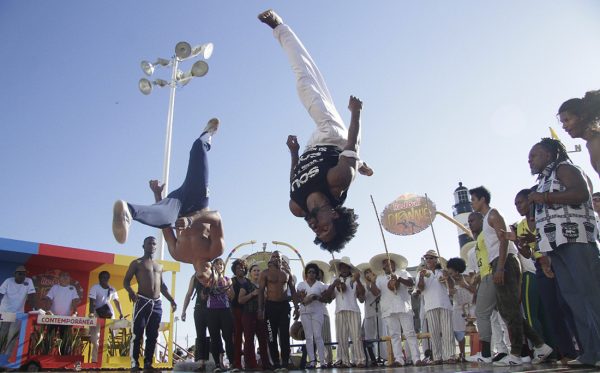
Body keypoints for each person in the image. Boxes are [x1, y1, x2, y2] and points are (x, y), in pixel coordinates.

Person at [258, 9, 373, 253]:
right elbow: (353, 144)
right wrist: (356, 112)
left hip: (311, 146)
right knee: (305, 84)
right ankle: (280, 28)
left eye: (317, 235)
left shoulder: (296, 207)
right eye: (325, 229)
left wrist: (294, 153)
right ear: (335, 216)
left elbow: (295, 179)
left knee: (308, 87)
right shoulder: (337, 182)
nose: (316, 229)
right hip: (334, 136)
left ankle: (361, 165)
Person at [112, 118, 225, 276]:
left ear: (195, 275)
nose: (204, 278)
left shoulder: (178, 255)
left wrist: (158, 195)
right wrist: (190, 220)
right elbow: (217, 217)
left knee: (164, 217)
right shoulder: (215, 250)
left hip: (177, 207)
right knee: (197, 148)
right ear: (213, 271)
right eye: (208, 277)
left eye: (201, 279)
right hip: (197, 200)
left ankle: (128, 211)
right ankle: (207, 135)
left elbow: (165, 227)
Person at [527, 137, 600, 367]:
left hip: (576, 239)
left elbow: (581, 194)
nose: (529, 161)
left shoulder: (564, 168)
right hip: (555, 246)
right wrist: (544, 254)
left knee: (590, 296)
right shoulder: (543, 179)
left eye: (534, 156)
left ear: (548, 155)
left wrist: (545, 197)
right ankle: (592, 352)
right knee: (574, 299)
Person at [467, 187, 552, 366]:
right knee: (508, 310)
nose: (472, 203)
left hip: (503, 262)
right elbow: (504, 236)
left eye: (474, 199)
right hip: (498, 262)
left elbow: (503, 241)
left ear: (483, 199)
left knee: (510, 310)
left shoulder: (492, 215)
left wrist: (500, 268)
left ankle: (516, 353)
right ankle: (540, 345)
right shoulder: (488, 219)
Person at [123, 236, 177, 371]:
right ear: (143, 246)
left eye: (154, 243)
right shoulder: (137, 263)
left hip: (157, 303)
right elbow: (126, 281)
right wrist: (130, 291)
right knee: (137, 333)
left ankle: (148, 363)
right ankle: (134, 363)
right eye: (149, 243)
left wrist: (171, 300)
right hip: (142, 301)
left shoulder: (159, 266)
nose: (152, 245)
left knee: (153, 334)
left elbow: (163, 286)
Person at [368, 253, 422, 367]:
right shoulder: (380, 278)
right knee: (394, 335)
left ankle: (416, 358)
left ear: (393, 263)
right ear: (383, 267)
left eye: (389, 262)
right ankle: (399, 359)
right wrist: (372, 282)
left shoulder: (402, 272)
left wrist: (399, 279)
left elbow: (411, 283)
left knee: (410, 333)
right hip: (388, 309)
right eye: (385, 264)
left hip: (403, 307)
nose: (387, 265)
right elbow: (376, 293)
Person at [257, 251, 296, 372]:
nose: (275, 259)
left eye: (277, 257)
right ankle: (276, 362)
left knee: (284, 335)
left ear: (281, 259)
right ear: (270, 259)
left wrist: (297, 307)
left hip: (284, 307)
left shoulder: (287, 273)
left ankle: (285, 362)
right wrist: (260, 309)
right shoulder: (265, 273)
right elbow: (260, 292)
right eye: (273, 257)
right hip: (270, 307)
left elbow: (293, 291)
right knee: (271, 335)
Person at [416, 250, 455, 364]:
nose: (428, 260)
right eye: (427, 258)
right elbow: (420, 288)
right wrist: (422, 277)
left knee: (447, 331)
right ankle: (437, 357)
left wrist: (447, 278)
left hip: (444, 304)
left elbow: (451, 287)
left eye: (431, 258)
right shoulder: (420, 273)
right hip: (430, 305)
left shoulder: (443, 271)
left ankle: (450, 356)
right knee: (434, 333)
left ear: (436, 260)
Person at [558, 90, 600, 178]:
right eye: (562, 122)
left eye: (567, 120)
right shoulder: (591, 143)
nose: (564, 126)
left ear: (582, 117)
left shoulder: (596, 141)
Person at [295, 263, 328, 368]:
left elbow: (326, 299)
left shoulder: (321, 285)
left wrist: (316, 297)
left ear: (316, 274)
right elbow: (299, 299)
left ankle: (322, 361)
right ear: (306, 274)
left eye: (313, 272)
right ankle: (312, 361)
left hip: (318, 312)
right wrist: (305, 299)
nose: (311, 274)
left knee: (318, 336)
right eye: (309, 272)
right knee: (309, 337)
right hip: (304, 312)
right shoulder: (301, 284)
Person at [238, 263, 271, 370]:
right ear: (250, 273)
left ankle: (266, 364)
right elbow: (240, 300)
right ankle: (250, 364)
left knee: (263, 339)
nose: (257, 272)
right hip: (248, 314)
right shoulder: (246, 285)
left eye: (258, 271)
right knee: (249, 340)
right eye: (254, 270)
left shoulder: (263, 286)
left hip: (261, 315)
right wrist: (252, 294)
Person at [205, 258, 235, 373]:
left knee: (228, 337)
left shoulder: (228, 279)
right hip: (212, 311)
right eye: (217, 264)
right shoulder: (209, 279)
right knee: (215, 338)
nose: (220, 266)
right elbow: (204, 295)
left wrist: (227, 288)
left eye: (221, 264)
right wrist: (212, 281)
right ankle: (217, 364)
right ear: (213, 266)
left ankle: (232, 363)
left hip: (225, 311)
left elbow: (232, 296)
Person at [88, 271, 123, 363]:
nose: (104, 279)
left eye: (106, 277)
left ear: (108, 278)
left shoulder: (112, 289)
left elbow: (116, 301)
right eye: (102, 277)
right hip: (96, 313)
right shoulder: (95, 287)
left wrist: (121, 313)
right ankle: (95, 361)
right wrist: (91, 313)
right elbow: (92, 301)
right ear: (99, 279)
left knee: (110, 336)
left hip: (108, 314)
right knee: (95, 339)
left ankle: (106, 360)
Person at [445, 257, 475, 362]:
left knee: (474, 331)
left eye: (451, 273)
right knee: (459, 333)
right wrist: (450, 291)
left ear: (458, 271)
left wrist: (465, 286)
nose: (450, 275)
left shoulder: (466, 278)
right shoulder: (450, 280)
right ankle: (462, 354)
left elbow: (474, 290)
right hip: (457, 309)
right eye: (449, 273)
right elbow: (450, 292)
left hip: (471, 307)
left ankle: (476, 352)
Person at [0, 265, 36, 355]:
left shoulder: (28, 281)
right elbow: (0, 294)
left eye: (24, 274)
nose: (22, 276)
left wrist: (34, 309)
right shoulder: (8, 281)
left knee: (12, 337)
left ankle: (5, 359)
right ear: (15, 274)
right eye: (20, 274)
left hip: (18, 314)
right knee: (2, 335)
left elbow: (31, 297)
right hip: (5, 312)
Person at [356, 264, 387, 366]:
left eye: (369, 272)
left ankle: (383, 357)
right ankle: (372, 358)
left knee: (382, 335)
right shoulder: (363, 284)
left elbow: (376, 293)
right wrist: (360, 291)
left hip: (380, 313)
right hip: (368, 313)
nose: (368, 274)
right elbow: (361, 300)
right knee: (369, 338)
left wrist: (371, 283)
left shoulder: (378, 281)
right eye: (366, 273)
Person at [230, 259, 248, 371]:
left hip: (247, 312)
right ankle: (237, 364)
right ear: (234, 270)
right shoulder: (231, 281)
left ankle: (248, 362)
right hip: (235, 311)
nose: (240, 269)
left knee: (248, 338)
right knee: (237, 337)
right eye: (237, 268)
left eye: (242, 267)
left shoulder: (248, 282)